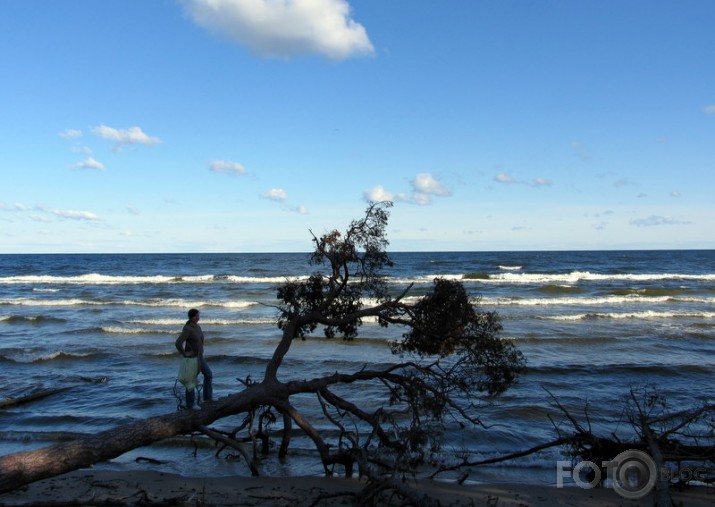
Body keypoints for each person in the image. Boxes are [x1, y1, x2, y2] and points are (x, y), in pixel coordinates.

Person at [175, 309, 213, 408]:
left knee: (208, 375)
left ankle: (208, 399)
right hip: (192, 358)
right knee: (191, 381)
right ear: (191, 317)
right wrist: (184, 353)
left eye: (198, 316)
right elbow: (178, 343)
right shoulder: (188, 328)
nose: (198, 317)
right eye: (196, 316)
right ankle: (190, 405)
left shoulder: (197, 327)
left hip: (200, 357)